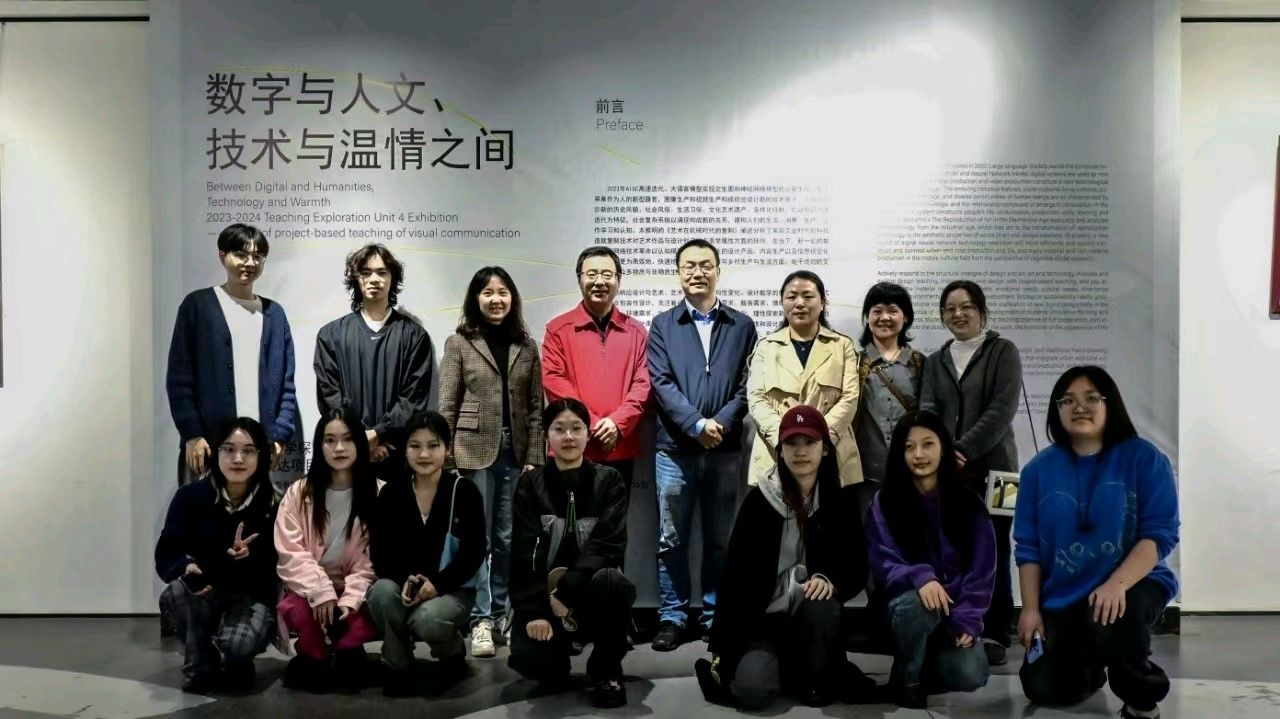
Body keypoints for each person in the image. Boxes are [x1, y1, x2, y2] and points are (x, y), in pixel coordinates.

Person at [1015, 366, 1179, 719]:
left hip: (1134, 583)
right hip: (1065, 593)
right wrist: (1030, 609)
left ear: (1110, 404)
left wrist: (1117, 583)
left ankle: (1141, 699)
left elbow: (1159, 534)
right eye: (1068, 400)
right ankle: (1092, 664)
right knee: (1042, 687)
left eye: (1091, 398)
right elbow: (1027, 548)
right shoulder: (1037, 471)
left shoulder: (1145, 459)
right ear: (1057, 410)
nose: (1079, 407)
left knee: (1113, 613)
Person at [695, 405, 875, 709]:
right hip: (762, 622)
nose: (801, 451)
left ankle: (810, 674)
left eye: (810, 442)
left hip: (810, 618)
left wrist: (831, 580)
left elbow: (857, 564)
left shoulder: (840, 501)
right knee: (752, 691)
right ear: (780, 451)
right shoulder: (759, 501)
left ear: (825, 449)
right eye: (791, 443)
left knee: (823, 608)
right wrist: (721, 648)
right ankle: (783, 664)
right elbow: (733, 578)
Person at [646, 239, 758, 651]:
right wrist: (695, 425)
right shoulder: (663, 324)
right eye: (689, 266)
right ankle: (673, 617)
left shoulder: (742, 325)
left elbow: (748, 385)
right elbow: (660, 382)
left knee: (719, 539)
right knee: (671, 540)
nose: (698, 272)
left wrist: (720, 424)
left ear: (718, 271)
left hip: (724, 451)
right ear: (679, 273)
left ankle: (713, 616)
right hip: (674, 451)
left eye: (705, 265)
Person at [438, 266, 544, 658]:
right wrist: (448, 458)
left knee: (507, 538)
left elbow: (536, 407)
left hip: (515, 453)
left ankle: (501, 613)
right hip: (471, 453)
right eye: (487, 292)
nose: (495, 299)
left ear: (512, 298)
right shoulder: (459, 343)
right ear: (475, 299)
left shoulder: (526, 346)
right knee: (477, 539)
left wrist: (534, 457)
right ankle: (480, 618)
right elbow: (447, 405)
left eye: (502, 292)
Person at [508, 398, 636, 709]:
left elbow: (608, 545)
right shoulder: (530, 484)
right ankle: (555, 660)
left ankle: (605, 671)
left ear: (587, 433)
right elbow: (524, 552)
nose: (568, 437)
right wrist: (535, 609)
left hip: (589, 593)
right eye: (559, 429)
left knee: (614, 583)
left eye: (576, 428)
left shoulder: (609, 480)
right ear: (546, 436)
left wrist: (567, 591)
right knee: (532, 662)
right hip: (545, 599)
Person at [919, 279, 1022, 665]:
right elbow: (928, 410)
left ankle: (996, 631)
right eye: (950, 308)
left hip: (1001, 473)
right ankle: (961, 626)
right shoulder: (935, 361)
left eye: (966, 307)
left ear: (981, 311)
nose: (958, 314)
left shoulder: (1003, 351)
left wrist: (961, 449)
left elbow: (1002, 409)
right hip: (951, 474)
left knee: (997, 547)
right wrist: (943, 453)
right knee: (957, 548)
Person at [866, 411, 995, 709]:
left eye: (928, 444)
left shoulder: (968, 503)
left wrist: (968, 619)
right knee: (918, 605)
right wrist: (921, 577)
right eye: (909, 447)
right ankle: (908, 678)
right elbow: (883, 560)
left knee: (969, 674)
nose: (919, 454)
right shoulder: (885, 501)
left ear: (943, 448)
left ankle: (927, 658)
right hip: (903, 610)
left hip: (952, 614)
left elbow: (982, 571)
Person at [155, 416, 279, 693]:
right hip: (205, 591)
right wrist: (186, 566)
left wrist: (249, 557)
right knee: (176, 592)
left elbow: (275, 569)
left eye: (248, 450)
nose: (238, 458)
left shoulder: (272, 503)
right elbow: (166, 552)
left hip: (249, 596)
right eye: (229, 449)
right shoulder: (190, 497)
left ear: (261, 456)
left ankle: (238, 659)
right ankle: (200, 662)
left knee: (238, 648)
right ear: (216, 451)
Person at [166, 223, 297, 486]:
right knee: (200, 511)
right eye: (241, 254)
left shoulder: (274, 314)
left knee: (259, 512)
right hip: (208, 445)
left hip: (259, 448)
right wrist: (191, 433)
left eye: (258, 256)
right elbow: (179, 378)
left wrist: (280, 434)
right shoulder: (197, 306)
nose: (250, 262)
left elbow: (287, 384)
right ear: (222, 256)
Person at [367, 411, 487, 696]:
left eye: (433, 445)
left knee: (426, 619)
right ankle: (397, 661)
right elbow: (380, 553)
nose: (424, 454)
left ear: (447, 449)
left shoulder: (464, 491)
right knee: (381, 593)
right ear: (405, 449)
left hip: (452, 589)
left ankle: (451, 651)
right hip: (405, 586)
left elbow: (473, 553)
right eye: (415, 446)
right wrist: (404, 580)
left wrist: (438, 584)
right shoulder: (391, 493)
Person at [274, 408, 380, 693]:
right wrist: (321, 591)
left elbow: (372, 561)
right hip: (308, 590)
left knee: (352, 644)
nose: (339, 448)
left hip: (355, 592)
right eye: (330, 440)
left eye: (347, 439)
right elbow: (291, 553)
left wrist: (350, 599)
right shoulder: (299, 493)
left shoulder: (378, 493)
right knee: (301, 619)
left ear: (360, 443)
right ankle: (314, 653)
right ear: (319, 446)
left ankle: (348, 648)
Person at [314, 243, 433, 483]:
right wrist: (359, 438)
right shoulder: (331, 334)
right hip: (345, 454)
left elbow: (413, 398)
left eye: (382, 272)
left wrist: (379, 435)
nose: (374, 279)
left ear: (392, 278)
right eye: (366, 273)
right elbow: (329, 395)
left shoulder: (414, 335)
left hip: (396, 454)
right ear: (356, 279)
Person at [541, 245, 650, 493]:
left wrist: (616, 424)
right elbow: (555, 382)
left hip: (619, 446)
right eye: (591, 274)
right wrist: (592, 424)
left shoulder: (636, 332)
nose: (599, 281)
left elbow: (643, 386)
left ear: (618, 280)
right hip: (571, 446)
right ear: (579, 279)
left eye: (607, 274)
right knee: (568, 516)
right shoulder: (558, 330)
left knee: (615, 517)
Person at [747, 270, 862, 486]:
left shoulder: (842, 346)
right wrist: (784, 439)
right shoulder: (766, 347)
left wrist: (819, 440)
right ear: (782, 302)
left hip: (831, 451)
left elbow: (849, 398)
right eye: (792, 297)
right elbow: (756, 399)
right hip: (777, 452)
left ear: (823, 303)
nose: (800, 303)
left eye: (808, 296)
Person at [854, 282, 925, 486]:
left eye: (893, 311)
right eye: (877, 311)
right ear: (867, 317)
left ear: (906, 317)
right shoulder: (854, 363)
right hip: (865, 474)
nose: (884, 317)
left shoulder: (921, 364)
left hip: (912, 473)